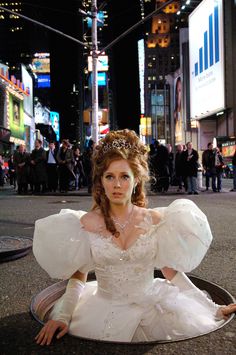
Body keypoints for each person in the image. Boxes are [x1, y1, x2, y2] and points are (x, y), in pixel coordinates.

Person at [33, 129, 236, 345]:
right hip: (102, 307)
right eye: (109, 176)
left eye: (124, 177)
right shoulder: (86, 223)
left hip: (152, 308)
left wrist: (212, 308)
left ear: (136, 179)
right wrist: (62, 316)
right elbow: (78, 277)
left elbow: (171, 272)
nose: (117, 185)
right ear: (101, 180)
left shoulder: (155, 219)